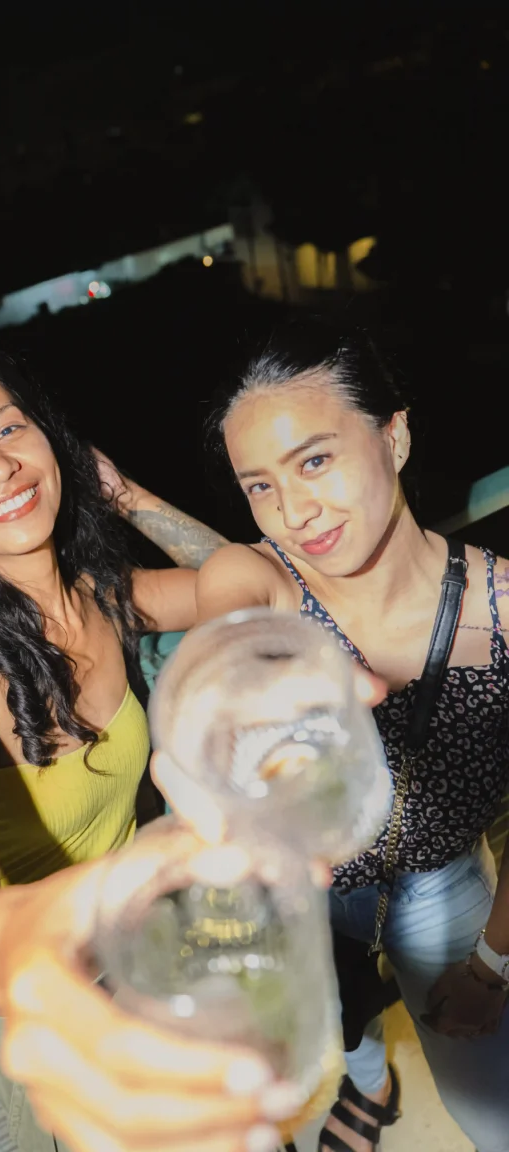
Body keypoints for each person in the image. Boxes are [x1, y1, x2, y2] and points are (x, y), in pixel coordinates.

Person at [0, 332, 296, 1152]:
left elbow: (255, 588)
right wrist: (2, 937)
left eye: (8, 429)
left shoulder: (98, 595)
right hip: (53, 998)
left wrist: (125, 496)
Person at [152, 319, 509, 1152]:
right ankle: (369, 1083)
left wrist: (492, 966)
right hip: (304, 890)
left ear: (395, 436)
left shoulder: (503, 612)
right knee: (338, 1029)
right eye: (260, 486)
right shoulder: (253, 577)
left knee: (493, 1115)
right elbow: (227, 637)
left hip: (444, 892)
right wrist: (218, 726)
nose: (294, 511)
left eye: (314, 461)